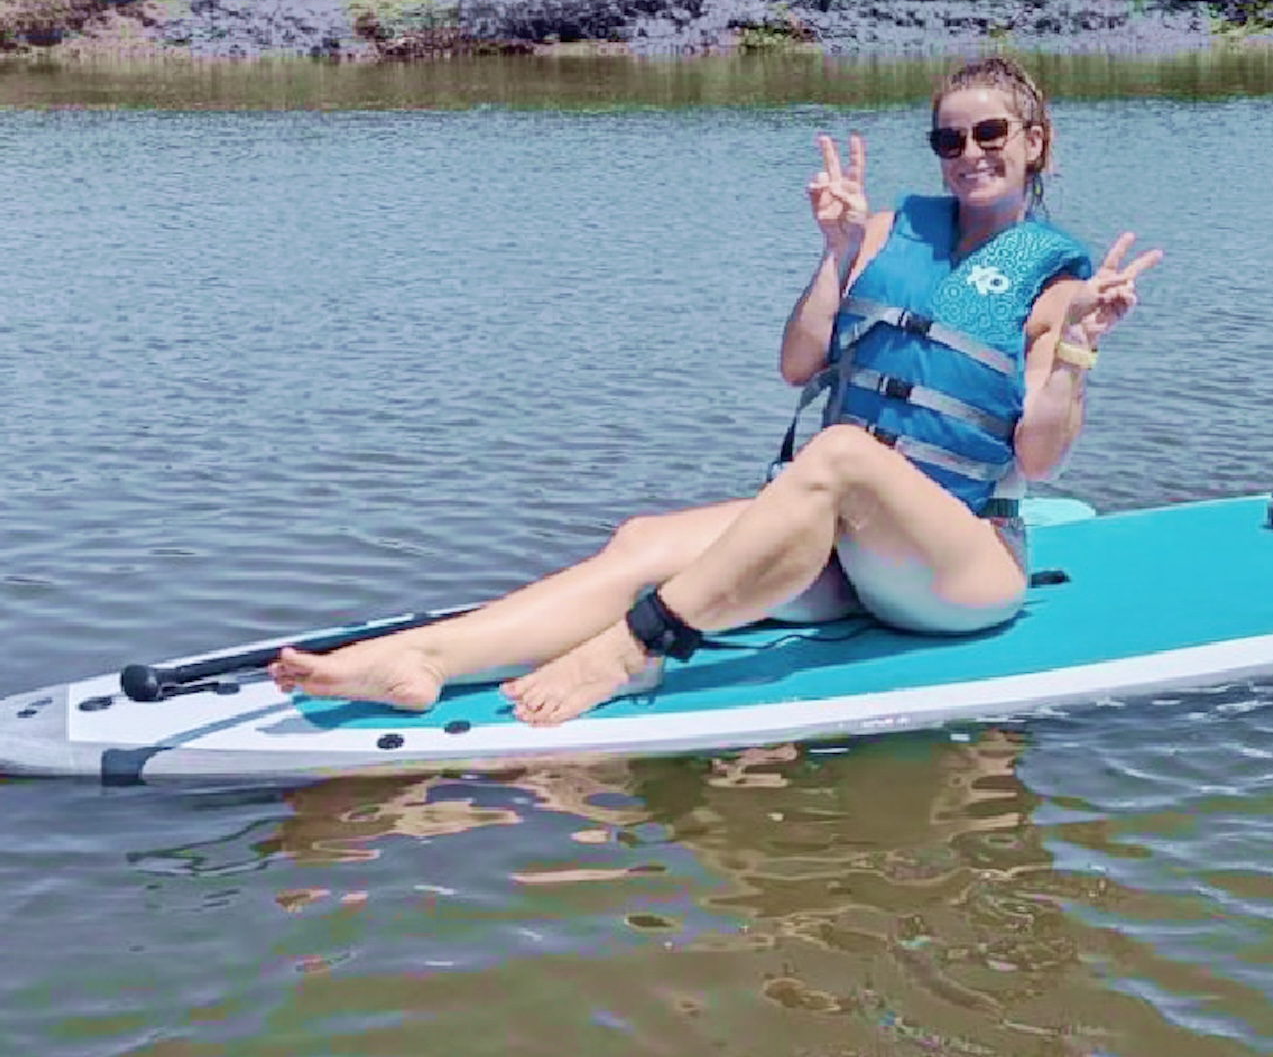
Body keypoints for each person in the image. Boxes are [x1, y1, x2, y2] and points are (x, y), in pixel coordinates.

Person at [268, 56, 1162, 726]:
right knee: (645, 540)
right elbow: (798, 366)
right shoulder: (891, 232)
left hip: (959, 567)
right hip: (854, 549)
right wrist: (837, 255)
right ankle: (418, 659)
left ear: (1033, 142)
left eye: (990, 134)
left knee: (841, 456)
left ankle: (632, 652)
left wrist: (1081, 350)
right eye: (948, 139)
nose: (967, 154)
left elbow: (1038, 455)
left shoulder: (1058, 285)